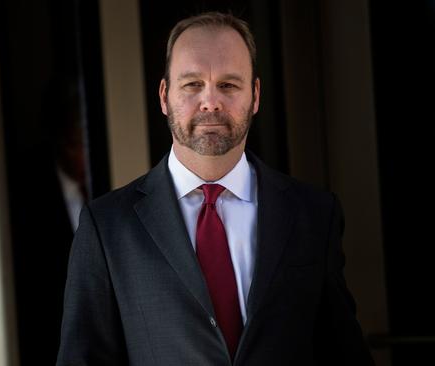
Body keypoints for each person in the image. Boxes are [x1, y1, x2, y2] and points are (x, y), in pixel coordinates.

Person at [56, 11, 374, 366]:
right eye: (192, 84)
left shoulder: (314, 215)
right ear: (164, 95)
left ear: (254, 95)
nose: (210, 102)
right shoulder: (107, 227)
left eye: (228, 85)